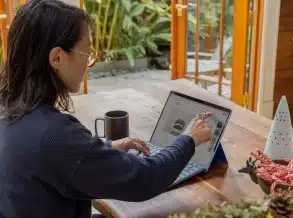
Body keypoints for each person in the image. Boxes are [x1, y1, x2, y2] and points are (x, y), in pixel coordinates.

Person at [0, 1, 213, 218]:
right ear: (57, 57)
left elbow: (50, 157)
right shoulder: (53, 133)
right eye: (86, 54)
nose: (88, 64)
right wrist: (189, 139)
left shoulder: (8, 109)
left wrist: (104, 148)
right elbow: (144, 179)